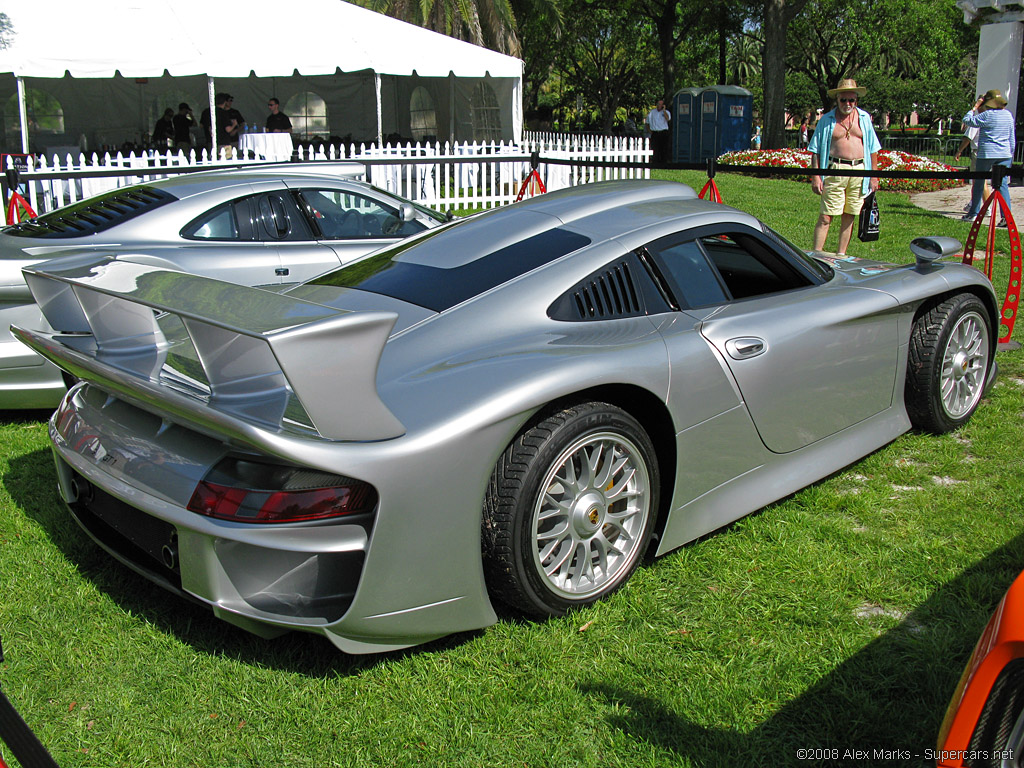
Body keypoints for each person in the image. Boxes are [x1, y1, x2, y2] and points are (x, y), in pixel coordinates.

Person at [807, 78, 881, 255]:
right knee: (826, 216)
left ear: (856, 100)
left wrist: (874, 176)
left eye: (851, 100)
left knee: (849, 216)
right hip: (834, 170)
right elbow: (815, 150)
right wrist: (816, 177)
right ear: (837, 99)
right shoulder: (826, 120)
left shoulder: (864, 119)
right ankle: (817, 254)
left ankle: (841, 255)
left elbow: (873, 149)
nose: (847, 104)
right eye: (843, 100)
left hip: (859, 172)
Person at [961, 89, 1015, 226]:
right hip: (1004, 154)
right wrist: (1011, 153)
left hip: (987, 153)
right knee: (1002, 185)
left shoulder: (987, 115)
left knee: (979, 183)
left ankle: (973, 213)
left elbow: (967, 120)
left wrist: (975, 107)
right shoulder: (1008, 115)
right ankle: (1006, 218)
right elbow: (1011, 138)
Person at [646, 98, 671, 164]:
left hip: (663, 132)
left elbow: (668, 119)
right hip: (655, 133)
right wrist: (649, 131)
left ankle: (663, 162)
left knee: (663, 148)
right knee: (655, 148)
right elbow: (647, 123)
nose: (659, 105)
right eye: (658, 104)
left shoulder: (666, 112)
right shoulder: (652, 112)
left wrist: (664, 110)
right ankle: (655, 162)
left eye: (661, 104)